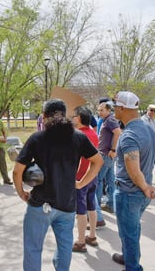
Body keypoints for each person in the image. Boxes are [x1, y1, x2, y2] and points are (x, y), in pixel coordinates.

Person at [12, 99, 103, 271]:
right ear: (65, 116)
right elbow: (97, 161)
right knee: (64, 247)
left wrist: (21, 192)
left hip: (40, 204)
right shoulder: (78, 137)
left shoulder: (37, 138)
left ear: (44, 117)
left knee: (33, 248)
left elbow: (17, 171)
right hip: (67, 204)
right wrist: (81, 183)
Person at [111, 91, 155, 271]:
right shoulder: (147, 128)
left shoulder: (129, 135)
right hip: (141, 191)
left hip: (130, 192)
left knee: (129, 233)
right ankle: (128, 257)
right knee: (132, 230)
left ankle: (133, 267)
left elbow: (133, 171)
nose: (113, 109)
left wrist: (145, 187)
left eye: (115, 105)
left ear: (123, 108)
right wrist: (146, 186)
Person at [71, 106, 99, 253]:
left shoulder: (79, 135)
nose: (73, 118)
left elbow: (82, 159)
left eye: (74, 116)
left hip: (81, 177)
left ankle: (81, 241)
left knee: (80, 210)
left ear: (80, 118)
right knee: (91, 205)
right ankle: (92, 236)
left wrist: (77, 178)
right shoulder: (93, 132)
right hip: (92, 175)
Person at [96, 102, 122, 214]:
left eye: (102, 110)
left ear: (108, 110)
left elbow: (118, 133)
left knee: (98, 180)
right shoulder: (107, 120)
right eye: (99, 110)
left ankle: (95, 206)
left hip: (107, 154)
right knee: (110, 180)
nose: (100, 112)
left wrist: (113, 149)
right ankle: (111, 204)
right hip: (108, 154)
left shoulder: (110, 120)